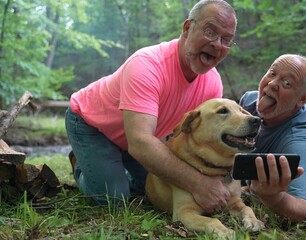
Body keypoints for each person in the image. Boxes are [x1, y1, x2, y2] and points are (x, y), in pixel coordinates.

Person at [65, 0, 237, 213]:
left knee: (153, 190)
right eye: (210, 31)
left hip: (136, 137)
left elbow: (199, 141)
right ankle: (82, 165)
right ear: (187, 28)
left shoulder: (213, 83)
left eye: (226, 39)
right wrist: (199, 184)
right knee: (114, 200)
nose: (218, 44)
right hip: (91, 125)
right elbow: (140, 143)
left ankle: (112, 166)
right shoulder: (147, 64)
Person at [239, 54, 306, 221]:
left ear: (302, 98)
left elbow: (302, 210)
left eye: (287, 83)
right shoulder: (249, 101)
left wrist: (273, 197)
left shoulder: (300, 141)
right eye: (272, 73)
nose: (272, 84)